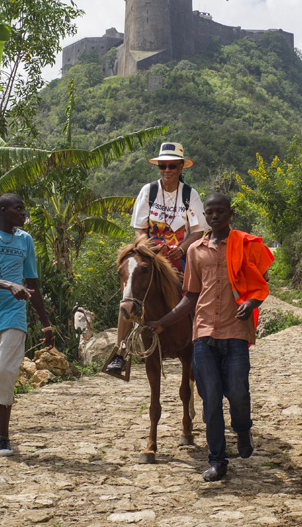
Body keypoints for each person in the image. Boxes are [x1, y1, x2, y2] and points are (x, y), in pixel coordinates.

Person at [147, 192, 274, 481]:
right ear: (205, 215)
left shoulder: (246, 245)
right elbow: (190, 296)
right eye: (210, 212)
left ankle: (242, 429)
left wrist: (251, 303)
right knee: (210, 397)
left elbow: (261, 284)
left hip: (236, 330)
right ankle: (217, 460)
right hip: (203, 332)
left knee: (239, 393)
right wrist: (162, 323)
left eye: (220, 211)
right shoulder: (195, 251)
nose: (214, 216)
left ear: (230, 213)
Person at [105, 142, 205, 375]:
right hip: (151, 256)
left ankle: (201, 341)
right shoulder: (148, 192)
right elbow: (140, 229)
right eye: (163, 166)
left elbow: (198, 231)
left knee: (197, 293)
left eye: (172, 166)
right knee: (129, 292)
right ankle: (121, 352)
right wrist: (148, 248)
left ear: (181, 167)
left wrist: (181, 249)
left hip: (180, 256)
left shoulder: (190, 195)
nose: (167, 170)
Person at [0, 192, 54, 456]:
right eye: (19, 209)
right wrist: (8, 284)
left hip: (15, 313)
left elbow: (32, 285)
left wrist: (46, 324)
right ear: (3, 210)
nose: (23, 213)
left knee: (5, 370)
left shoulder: (25, 240)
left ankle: (3, 437)